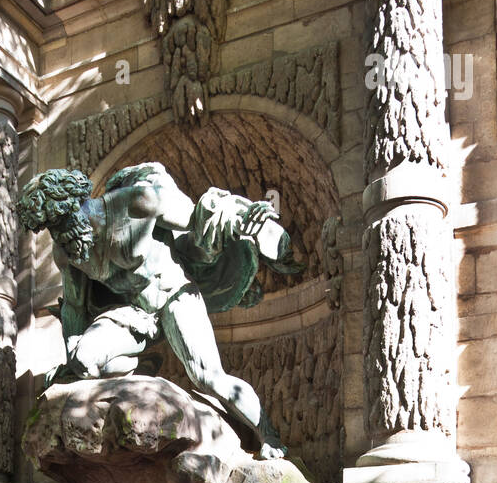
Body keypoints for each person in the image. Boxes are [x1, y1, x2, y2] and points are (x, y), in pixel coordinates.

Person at [16, 162, 302, 457]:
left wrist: (244, 220)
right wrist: (72, 360)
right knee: (86, 362)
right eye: (51, 229)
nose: (58, 235)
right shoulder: (69, 251)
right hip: (133, 315)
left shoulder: (136, 202)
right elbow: (74, 308)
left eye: (60, 222)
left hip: (173, 295)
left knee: (208, 377)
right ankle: (142, 367)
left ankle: (269, 437)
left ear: (75, 203)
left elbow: (200, 222)